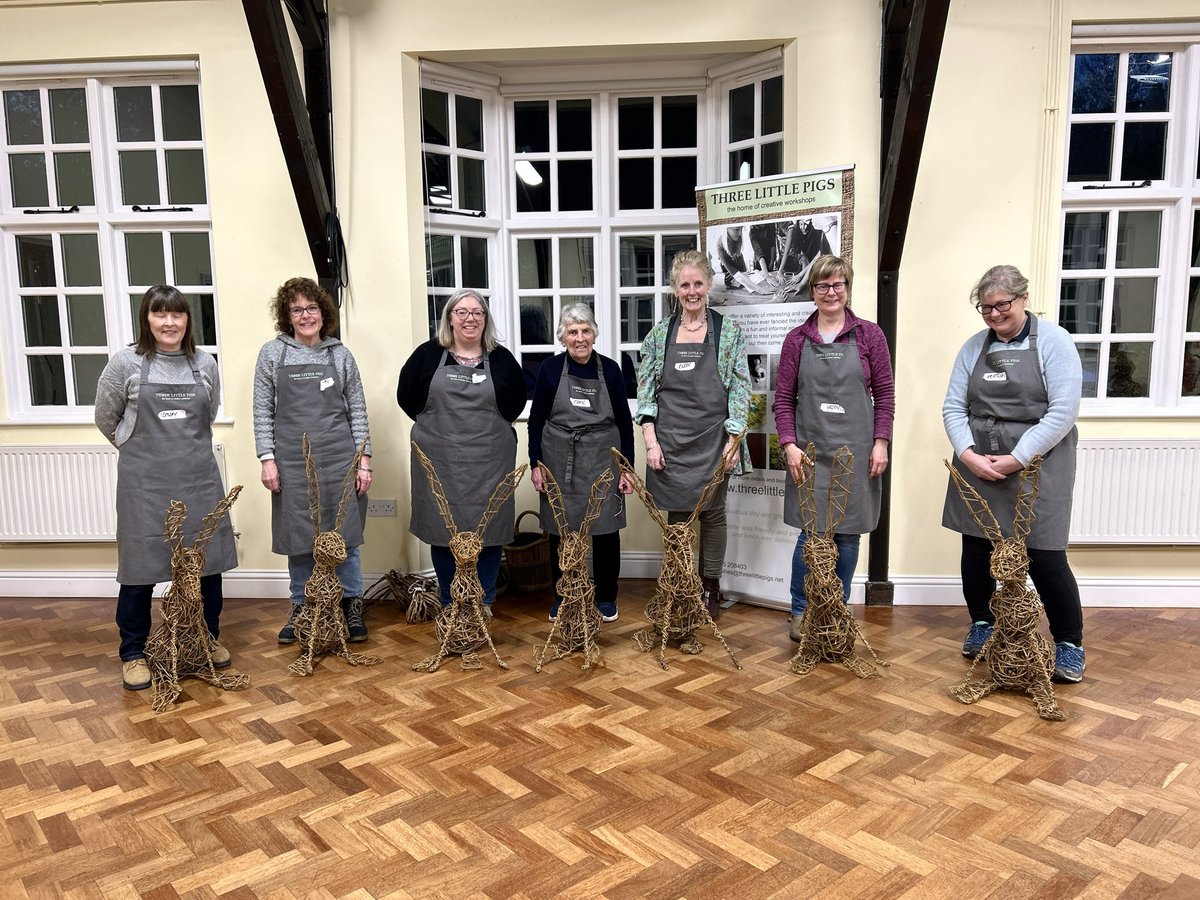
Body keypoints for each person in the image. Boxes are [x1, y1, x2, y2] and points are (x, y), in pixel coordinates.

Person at [942, 264, 1086, 683]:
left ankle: (1069, 645)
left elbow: (1063, 411)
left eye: (1001, 305)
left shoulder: (1054, 342)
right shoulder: (973, 347)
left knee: (1044, 555)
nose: (993, 315)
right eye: (984, 308)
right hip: (979, 461)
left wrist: (1019, 457)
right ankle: (982, 624)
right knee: (977, 549)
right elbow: (954, 407)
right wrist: (968, 455)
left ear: (1023, 299)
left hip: (1040, 462)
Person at [94, 285, 238, 691]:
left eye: (177, 315)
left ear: (187, 320)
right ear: (148, 319)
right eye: (160, 314)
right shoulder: (125, 364)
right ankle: (133, 652)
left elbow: (206, 416)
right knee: (140, 570)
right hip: (144, 486)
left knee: (206, 566)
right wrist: (134, 448)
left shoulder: (203, 364)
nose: (169, 322)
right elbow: (107, 418)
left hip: (198, 480)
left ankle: (205, 636)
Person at [773, 256, 895, 642]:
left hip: (855, 452)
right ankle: (800, 610)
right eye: (823, 286)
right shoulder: (796, 339)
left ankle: (834, 609)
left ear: (848, 288)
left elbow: (885, 396)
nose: (831, 292)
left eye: (838, 284)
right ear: (812, 291)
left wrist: (880, 443)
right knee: (811, 535)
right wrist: (789, 445)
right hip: (808, 453)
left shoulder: (870, 335)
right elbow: (783, 399)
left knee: (846, 536)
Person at [253, 277, 372, 644]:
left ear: (323, 312)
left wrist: (363, 459)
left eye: (312, 308)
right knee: (299, 536)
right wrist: (267, 459)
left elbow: (358, 411)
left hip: (339, 457)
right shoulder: (273, 354)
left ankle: (351, 603)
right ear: (287, 316)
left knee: (346, 536)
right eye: (297, 309)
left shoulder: (340, 355)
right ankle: (301, 605)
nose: (306, 316)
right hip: (290, 460)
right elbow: (261, 411)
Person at [636, 249, 751, 619]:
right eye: (684, 284)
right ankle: (681, 583)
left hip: (714, 440)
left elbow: (740, 389)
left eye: (698, 283)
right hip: (671, 441)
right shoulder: (659, 336)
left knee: (714, 514)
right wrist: (651, 442)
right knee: (679, 518)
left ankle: (710, 586)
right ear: (674, 289)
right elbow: (646, 392)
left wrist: (733, 442)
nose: (692, 291)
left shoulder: (728, 332)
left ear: (709, 285)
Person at [398, 289, 525, 614]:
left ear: (485, 320)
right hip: (439, 461)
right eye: (462, 312)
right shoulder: (427, 355)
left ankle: (483, 601)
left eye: (477, 313)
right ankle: (449, 600)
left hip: (490, 461)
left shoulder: (502, 359)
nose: (470, 318)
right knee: (442, 531)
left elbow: (515, 402)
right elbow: (407, 397)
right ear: (450, 319)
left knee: (490, 531)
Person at [528, 304, 635, 622]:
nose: (580, 338)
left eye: (585, 330)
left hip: (603, 458)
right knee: (560, 531)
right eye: (573, 332)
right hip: (559, 459)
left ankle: (606, 597)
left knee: (605, 530)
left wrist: (626, 468)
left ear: (594, 334)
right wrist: (536, 463)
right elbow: (536, 421)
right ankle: (563, 595)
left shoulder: (612, 370)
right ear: (563, 337)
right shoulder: (550, 369)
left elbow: (625, 424)